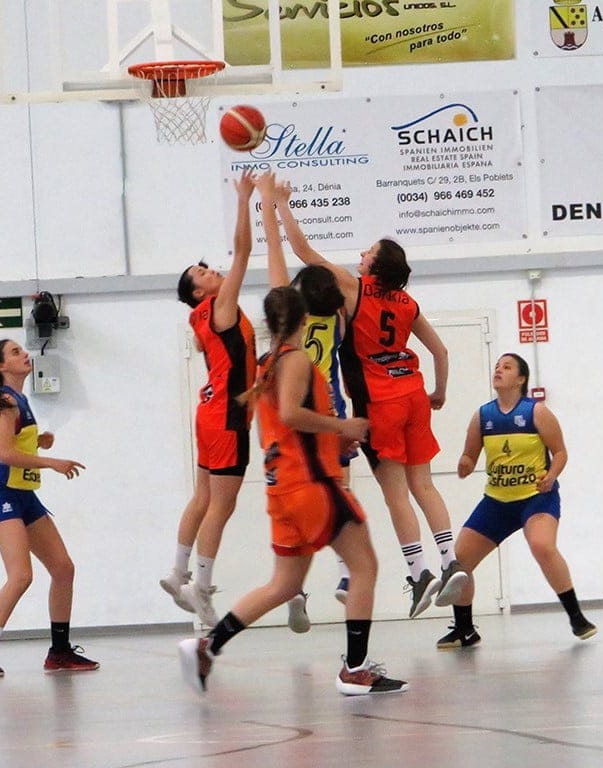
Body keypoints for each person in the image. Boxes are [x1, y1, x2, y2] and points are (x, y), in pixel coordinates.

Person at [177, 286, 407, 696]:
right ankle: (355, 669)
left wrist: (331, 443)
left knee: (283, 585)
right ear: (306, 320)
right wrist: (343, 427)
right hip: (312, 485)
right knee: (365, 567)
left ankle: (207, 647)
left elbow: (275, 432)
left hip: (282, 488)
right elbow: (289, 414)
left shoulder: (266, 364)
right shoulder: (297, 360)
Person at [275, 185, 468, 619]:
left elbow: (305, 251)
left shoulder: (353, 287)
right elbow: (441, 351)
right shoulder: (407, 302)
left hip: (379, 401)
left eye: (367, 251)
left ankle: (419, 573)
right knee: (425, 485)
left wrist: (282, 206)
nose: (360, 254)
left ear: (375, 266)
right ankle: (450, 559)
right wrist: (440, 392)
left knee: (395, 494)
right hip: (414, 393)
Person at [437, 353, 597, 649]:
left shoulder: (536, 413)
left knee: (542, 545)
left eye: (507, 367)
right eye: (497, 366)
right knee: (459, 563)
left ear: (521, 379)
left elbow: (560, 452)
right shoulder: (482, 415)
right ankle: (464, 630)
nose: (499, 370)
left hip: (535, 499)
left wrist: (551, 474)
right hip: (497, 501)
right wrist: (464, 463)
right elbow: (469, 455)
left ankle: (577, 617)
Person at [256, 171, 358, 625]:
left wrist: (270, 203)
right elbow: (304, 255)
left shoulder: (286, 321)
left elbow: (279, 250)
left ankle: (293, 588)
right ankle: (344, 576)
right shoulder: (341, 314)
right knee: (339, 492)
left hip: (292, 418)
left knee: (294, 498)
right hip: (329, 404)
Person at [159, 169, 258, 628]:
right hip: (228, 416)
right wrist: (245, 199)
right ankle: (201, 586)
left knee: (203, 495)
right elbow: (244, 252)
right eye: (203, 272)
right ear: (199, 292)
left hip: (210, 410)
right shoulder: (220, 307)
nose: (213, 270)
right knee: (223, 503)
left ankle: (177, 571)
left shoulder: (202, 316)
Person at [0, 339, 98, 677]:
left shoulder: (20, 399)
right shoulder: (4, 402)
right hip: (0, 495)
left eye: (22, 350)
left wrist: (39, 441)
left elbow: (16, 441)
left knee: (63, 568)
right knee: (21, 575)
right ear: (1, 366)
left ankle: (59, 651)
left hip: (24, 495)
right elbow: (6, 454)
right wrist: (50, 461)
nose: (24, 354)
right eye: (15, 352)